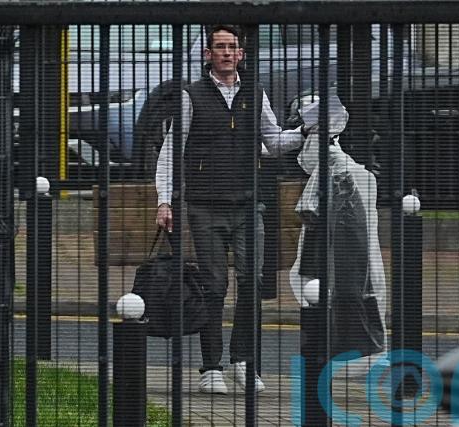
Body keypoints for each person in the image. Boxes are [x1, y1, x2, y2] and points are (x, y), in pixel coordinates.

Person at [155, 25, 307, 394]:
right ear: (207, 54)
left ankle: (244, 362)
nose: (226, 53)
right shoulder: (191, 96)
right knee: (214, 285)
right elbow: (171, 151)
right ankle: (211, 367)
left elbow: (273, 141)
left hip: (248, 204)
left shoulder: (255, 93)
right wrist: (164, 199)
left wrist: (306, 132)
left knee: (252, 282)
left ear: (241, 54)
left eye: (232, 47)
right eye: (220, 47)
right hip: (204, 206)